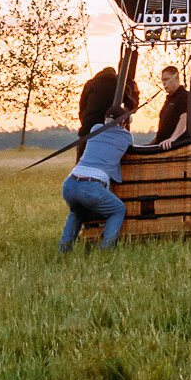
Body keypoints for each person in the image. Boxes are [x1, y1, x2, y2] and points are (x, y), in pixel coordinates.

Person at [60, 71, 137, 249]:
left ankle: (63, 250)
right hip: (92, 187)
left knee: (77, 213)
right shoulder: (126, 137)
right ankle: (106, 249)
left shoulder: (95, 127)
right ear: (123, 122)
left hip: (70, 184)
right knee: (118, 210)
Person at [152, 61, 191, 148]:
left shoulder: (184, 96)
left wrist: (172, 139)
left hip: (175, 147)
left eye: (166, 79)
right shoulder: (169, 99)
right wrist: (148, 145)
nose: (164, 83)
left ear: (176, 78)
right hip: (163, 146)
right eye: (162, 80)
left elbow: (185, 119)